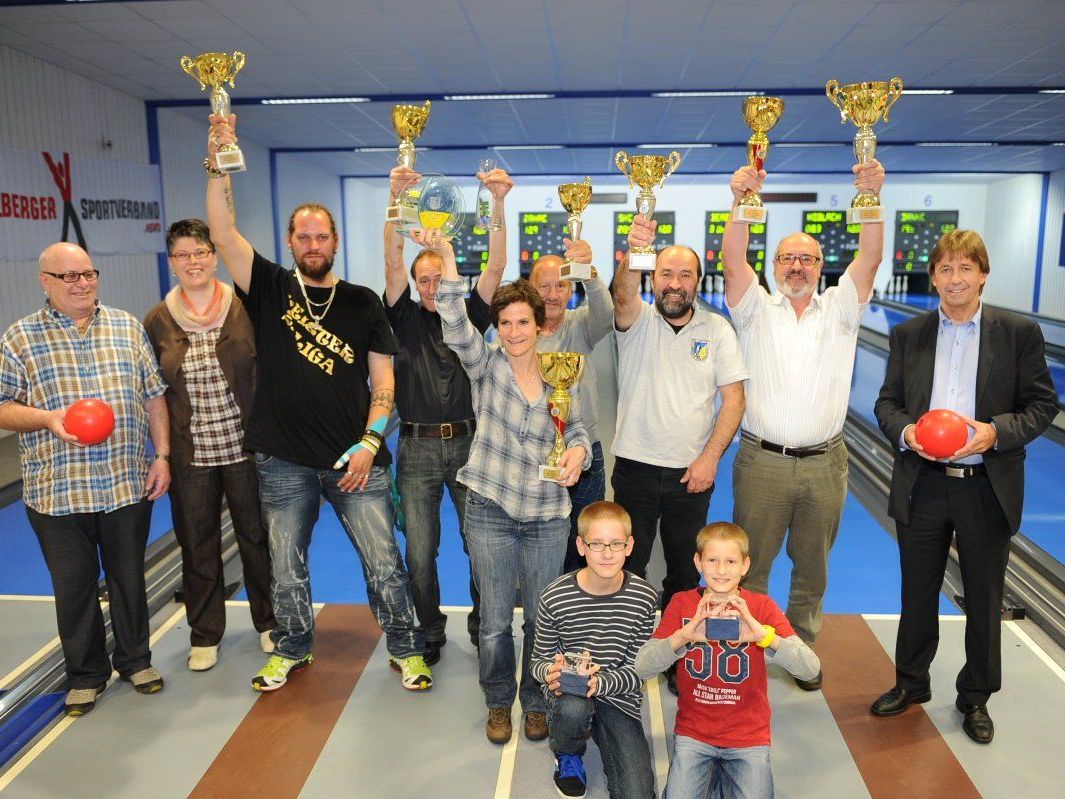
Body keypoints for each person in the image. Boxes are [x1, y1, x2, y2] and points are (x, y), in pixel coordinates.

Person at [205, 112, 431, 692]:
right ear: (290, 242)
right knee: (285, 566)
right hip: (281, 459)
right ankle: (292, 647)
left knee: (383, 560)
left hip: (355, 459)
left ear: (333, 242)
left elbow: (385, 383)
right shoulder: (269, 287)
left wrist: (371, 441)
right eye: (302, 237)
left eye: (321, 237)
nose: (312, 245)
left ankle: (406, 647)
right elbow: (223, 233)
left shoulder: (360, 303)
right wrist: (218, 161)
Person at [871, 229, 1056, 744]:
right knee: (917, 591)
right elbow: (887, 404)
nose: (956, 279)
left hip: (985, 484)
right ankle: (911, 683)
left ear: (983, 275)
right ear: (933, 277)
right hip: (923, 481)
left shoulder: (1018, 333)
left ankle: (975, 697)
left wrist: (995, 433)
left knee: (984, 595)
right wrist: (908, 433)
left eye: (965, 269)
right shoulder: (909, 334)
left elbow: (1042, 406)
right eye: (946, 269)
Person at [420, 227, 590, 745]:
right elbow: (453, 322)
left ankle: (535, 701)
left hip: (544, 512)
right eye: (505, 322)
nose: (514, 331)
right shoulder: (485, 365)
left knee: (542, 621)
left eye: (523, 322)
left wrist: (578, 453)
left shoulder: (564, 373)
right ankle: (499, 702)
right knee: (494, 621)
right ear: (496, 327)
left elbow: (576, 427)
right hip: (490, 505)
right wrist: (449, 257)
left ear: (539, 326)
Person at [721, 160, 887, 690]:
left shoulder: (841, 308)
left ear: (821, 267)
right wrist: (741, 202)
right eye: (788, 257)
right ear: (774, 265)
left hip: (825, 462)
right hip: (763, 460)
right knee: (754, 564)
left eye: (808, 258)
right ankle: (748, 645)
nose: (798, 266)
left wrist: (871, 195)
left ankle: (801, 649)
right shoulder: (754, 310)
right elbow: (731, 258)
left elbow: (871, 255)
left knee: (812, 567)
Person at [0, 242, 170, 715]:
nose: (81, 284)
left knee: (129, 578)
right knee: (73, 586)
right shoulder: (20, 338)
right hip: (56, 489)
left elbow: (154, 397)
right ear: (45, 282)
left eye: (88, 274)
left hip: (124, 480)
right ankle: (86, 675)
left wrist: (163, 455)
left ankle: (136, 661)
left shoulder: (126, 327)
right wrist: (48, 419)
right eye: (68, 277)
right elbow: (1, 407)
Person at [613, 218, 748, 692]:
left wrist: (711, 458)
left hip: (691, 475)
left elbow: (734, 399)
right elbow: (623, 294)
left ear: (698, 280)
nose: (675, 283)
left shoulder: (718, 331)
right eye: (666, 274)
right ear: (654, 278)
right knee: (625, 568)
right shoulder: (635, 319)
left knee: (683, 571)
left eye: (684, 275)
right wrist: (634, 251)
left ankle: (675, 653)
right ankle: (625, 654)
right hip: (633, 467)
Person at [383, 164, 511, 663]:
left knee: (478, 545)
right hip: (414, 447)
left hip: (468, 444)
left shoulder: (470, 314)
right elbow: (393, 261)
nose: (433, 286)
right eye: (425, 279)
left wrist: (497, 203)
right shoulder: (403, 316)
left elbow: (496, 268)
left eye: (439, 277)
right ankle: (429, 633)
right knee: (419, 553)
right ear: (415, 284)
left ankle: (483, 628)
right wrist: (395, 199)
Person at [144, 218, 275, 672]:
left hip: (245, 448)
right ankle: (205, 633)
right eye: (183, 254)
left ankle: (270, 622)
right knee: (196, 544)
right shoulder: (157, 321)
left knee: (257, 538)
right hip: (191, 453)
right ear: (172, 263)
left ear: (214, 257)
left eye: (200, 252)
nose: (193, 261)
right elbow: (152, 392)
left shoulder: (244, 307)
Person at [635, 522, 820, 799]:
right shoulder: (682, 604)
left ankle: (720, 778)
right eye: (712, 560)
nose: (721, 570)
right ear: (698, 562)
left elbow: (810, 668)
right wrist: (682, 637)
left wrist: (765, 637)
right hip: (694, 734)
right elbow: (643, 666)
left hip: (748, 736)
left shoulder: (761, 607)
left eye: (731, 561)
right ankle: (717, 778)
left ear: (745, 565)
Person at [530, 501, 658, 799]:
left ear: (629, 546)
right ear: (580, 546)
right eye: (597, 543)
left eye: (616, 543)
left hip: (618, 697)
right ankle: (568, 752)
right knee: (574, 709)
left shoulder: (644, 597)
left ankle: (598, 731)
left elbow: (639, 670)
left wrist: (600, 683)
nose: (608, 553)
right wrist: (551, 672)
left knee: (638, 793)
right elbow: (538, 660)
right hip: (570, 694)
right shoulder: (554, 596)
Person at [525, 250, 613, 572]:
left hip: (585, 452)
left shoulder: (580, 324)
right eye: (543, 286)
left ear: (570, 290)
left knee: (585, 544)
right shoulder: (519, 332)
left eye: (560, 286)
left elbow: (606, 314)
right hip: (535, 454)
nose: (552, 294)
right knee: (543, 550)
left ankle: (579, 615)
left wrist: (588, 271)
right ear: (530, 288)